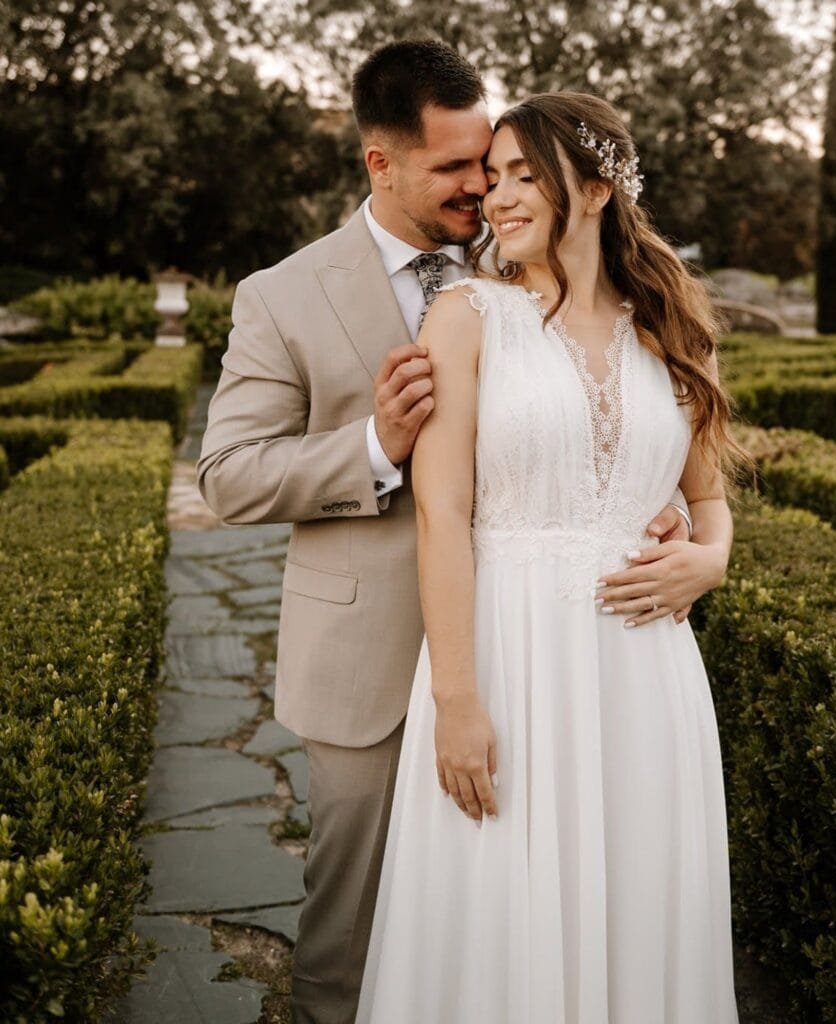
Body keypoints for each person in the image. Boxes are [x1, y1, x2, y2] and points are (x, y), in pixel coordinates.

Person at [197, 41, 697, 1024]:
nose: (482, 185)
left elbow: (607, 398)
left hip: (538, 650)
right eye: (454, 167)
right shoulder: (282, 295)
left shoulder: (522, 255)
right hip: (371, 658)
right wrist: (373, 443)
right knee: (349, 929)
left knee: (522, 904)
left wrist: (645, 487)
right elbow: (225, 477)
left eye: (490, 160)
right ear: (379, 163)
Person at [355, 91, 747, 1024]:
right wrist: (455, 699)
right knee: (502, 906)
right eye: (494, 178)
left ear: (601, 187)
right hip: (510, 658)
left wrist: (714, 558)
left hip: (646, 679)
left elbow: (707, 499)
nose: (497, 197)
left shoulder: (673, 326)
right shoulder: (467, 315)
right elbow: (442, 511)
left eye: (526, 175)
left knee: (639, 897)